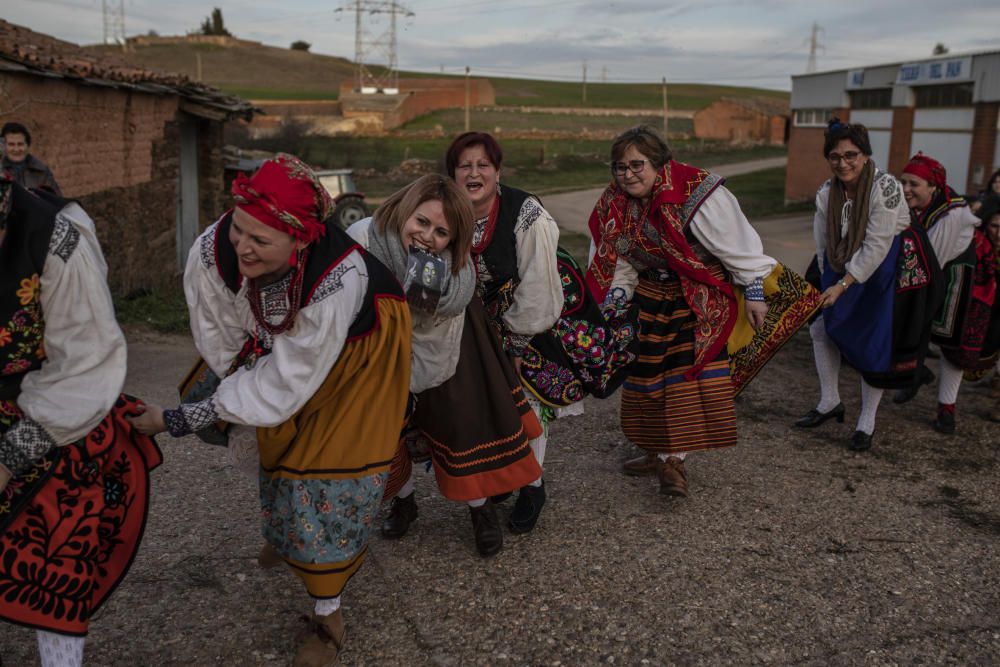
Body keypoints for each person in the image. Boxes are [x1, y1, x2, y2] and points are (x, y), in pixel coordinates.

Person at [129, 154, 411, 667]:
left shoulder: (336, 280)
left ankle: (328, 616)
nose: (243, 247)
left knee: (322, 477)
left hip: (354, 352)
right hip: (274, 355)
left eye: (261, 241)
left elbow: (288, 382)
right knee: (268, 442)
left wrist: (178, 419)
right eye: (239, 230)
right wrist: (236, 385)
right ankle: (285, 537)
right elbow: (218, 336)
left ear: (301, 239)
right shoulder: (211, 253)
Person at [586, 125, 818, 497]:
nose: (627, 175)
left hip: (697, 295)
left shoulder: (698, 194)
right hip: (648, 294)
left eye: (636, 165)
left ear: (660, 164)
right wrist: (615, 299)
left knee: (683, 380)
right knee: (643, 376)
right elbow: (621, 255)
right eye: (619, 167)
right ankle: (653, 450)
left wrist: (755, 290)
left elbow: (739, 247)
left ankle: (674, 460)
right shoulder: (615, 202)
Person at [0, 175, 161, 666]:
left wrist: (7, 460)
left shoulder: (58, 236)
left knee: (54, 560)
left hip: (55, 412)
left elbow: (86, 366)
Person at [344, 174, 485, 547]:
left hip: (434, 357)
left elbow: (441, 324)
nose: (427, 237)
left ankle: (479, 508)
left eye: (441, 232)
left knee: (458, 432)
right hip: (375, 358)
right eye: (421, 222)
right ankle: (404, 502)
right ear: (406, 210)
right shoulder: (364, 239)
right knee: (386, 438)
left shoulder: (456, 270)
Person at [437, 131, 563, 540]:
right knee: (484, 404)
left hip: (531, 320)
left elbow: (539, 282)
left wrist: (518, 343)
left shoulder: (525, 213)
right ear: (452, 174)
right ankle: (503, 476)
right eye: (464, 166)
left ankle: (534, 486)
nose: (474, 174)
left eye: (483, 166)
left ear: (497, 171)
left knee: (526, 402)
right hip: (474, 328)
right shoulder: (444, 211)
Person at [795, 120, 941, 451]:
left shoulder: (885, 187)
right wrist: (827, 280)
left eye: (851, 155)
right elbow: (822, 245)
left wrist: (844, 284)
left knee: (872, 339)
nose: (843, 163)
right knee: (821, 326)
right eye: (834, 156)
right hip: (841, 258)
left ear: (865, 154)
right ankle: (829, 401)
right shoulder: (825, 194)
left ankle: (867, 421)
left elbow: (877, 244)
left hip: (890, 263)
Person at [897, 153, 992, 433]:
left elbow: (929, 261)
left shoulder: (951, 216)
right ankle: (913, 376)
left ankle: (946, 409)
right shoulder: (920, 207)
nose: (906, 189)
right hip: (937, 279)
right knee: (914, 329)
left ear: (933, 188)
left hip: (963, 285)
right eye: (903, 182)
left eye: (914, 183)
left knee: (952, 346)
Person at [1, 122, 62, 196]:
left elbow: (56, 200)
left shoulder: (41, 171)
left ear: (27, 145)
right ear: (3, 146)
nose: (16, 149)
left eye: (20, 144)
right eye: (11, 144)